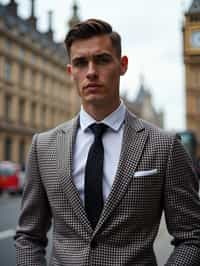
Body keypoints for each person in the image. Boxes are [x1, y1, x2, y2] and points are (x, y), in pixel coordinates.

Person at [15, 18, 200, 266]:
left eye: (102, 59)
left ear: (122, 65)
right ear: (71, 72)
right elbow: (29, 236)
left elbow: (192, 237)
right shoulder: (43, 146)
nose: (91, 71)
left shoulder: (165, 145)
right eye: (80, 62)